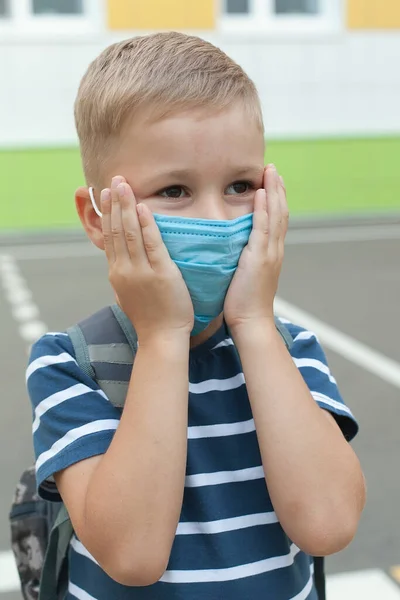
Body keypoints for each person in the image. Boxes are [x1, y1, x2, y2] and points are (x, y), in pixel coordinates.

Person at [27, 32, 365, 600]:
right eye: (175, 190)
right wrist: (162, 335)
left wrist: (256, 324)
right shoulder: (70, 364)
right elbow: (132, 554)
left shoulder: (292, 351)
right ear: (98, 216)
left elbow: (328, 524)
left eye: (240, 186)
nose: (215, 218)